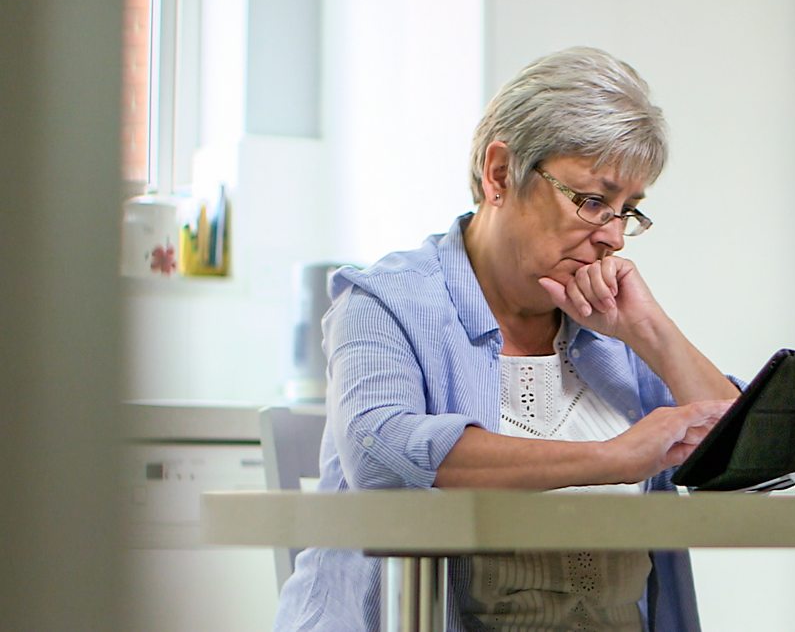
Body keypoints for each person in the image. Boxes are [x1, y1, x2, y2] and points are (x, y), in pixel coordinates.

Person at [274, 47, 741, 632]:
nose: (615, 237)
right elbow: (381, 451)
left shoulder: (613, 326)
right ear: (499, 174)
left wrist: (652, 332)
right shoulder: (387, 300)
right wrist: (611, 458)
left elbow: (755, 465)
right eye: (593, 201)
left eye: (628, 210)